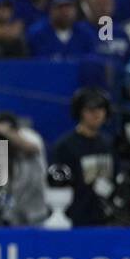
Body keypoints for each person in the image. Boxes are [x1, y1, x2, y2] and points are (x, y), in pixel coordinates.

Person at [50, 87, 115, 227]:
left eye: (100, 109)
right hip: (76, 220)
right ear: (80, 112)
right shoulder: (65, 146)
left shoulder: (108, 144)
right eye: (90, 110)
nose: (96, 114)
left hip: (105, 220)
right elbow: (58, 185)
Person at [0, 112, 49, 225]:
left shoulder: (29, 136)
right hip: (1, 212)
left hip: (34, 211)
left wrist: (5, 132)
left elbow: (33, 148)